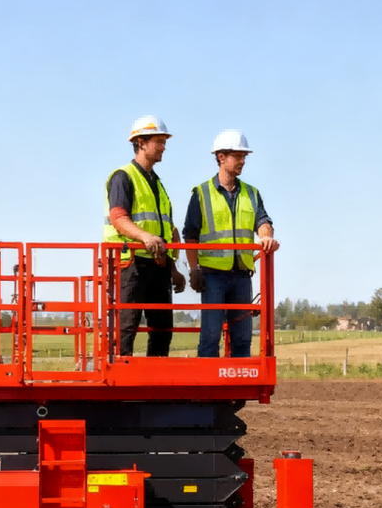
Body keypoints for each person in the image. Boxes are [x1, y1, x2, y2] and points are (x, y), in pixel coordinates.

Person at [183, 130, 279, 358]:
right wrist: (194, 270)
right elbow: (191, 236)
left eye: (244, 156)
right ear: (221, 157)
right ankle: (208, 382)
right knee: (210, 336)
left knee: (242, 338)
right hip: (212, 277)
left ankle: (238, 382)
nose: (243, 161)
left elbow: (263, 222)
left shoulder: (252, 193)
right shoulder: (201, 193)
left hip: (242, 276)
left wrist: (266, 236)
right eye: (238, 156)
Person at [104, 115, 185, 357]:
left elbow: (167, 230)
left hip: (158, 266)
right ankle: (120, 376)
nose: (163, 147)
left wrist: (173, 268)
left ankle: (155, 377)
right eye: (159, 141)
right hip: (130, 264)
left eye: (164, 142)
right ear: (140, 142)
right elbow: (118, 217)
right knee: (126, 327)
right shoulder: (123, 177)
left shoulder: (157, 184)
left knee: (162, 329)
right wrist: (145, 237)